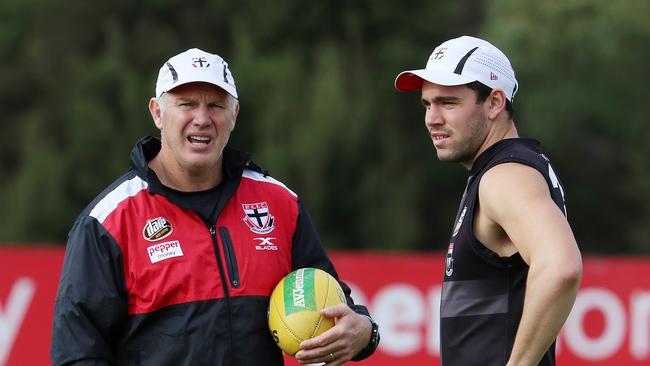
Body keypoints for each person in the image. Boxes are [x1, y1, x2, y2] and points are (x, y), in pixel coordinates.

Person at [51, 48, 379, 366]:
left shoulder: (279, 203)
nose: (202, 119)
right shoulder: (109, 221)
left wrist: (365, 330)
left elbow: (336, 306)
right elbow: (78, 352)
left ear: (234, 115)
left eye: (216, 105)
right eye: (187, 104)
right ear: (157, 112)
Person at [394, 36, 582, 365]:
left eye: (448, 103)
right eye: (427, 104)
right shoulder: (505, 169)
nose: (431, 119)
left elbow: (561, 267)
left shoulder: (504, 176)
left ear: (495, 102)